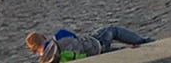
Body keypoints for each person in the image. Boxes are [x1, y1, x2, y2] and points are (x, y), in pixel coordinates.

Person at [24, 26, 153, 60]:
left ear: (34, 50)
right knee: (113, 30)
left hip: (95, 56)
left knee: (123, 53)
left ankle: (137, 50)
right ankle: (146, 42)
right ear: (43, 37)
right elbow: (75, 37)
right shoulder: (60, 35)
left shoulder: (48, 60)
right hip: (96, 43)